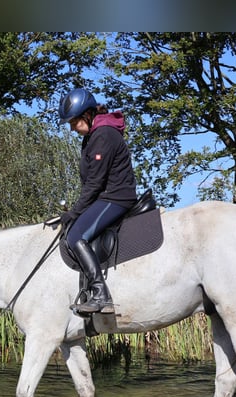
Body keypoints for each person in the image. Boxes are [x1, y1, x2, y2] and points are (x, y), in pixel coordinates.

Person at [57, 87, 138, 315]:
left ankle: (101, 295)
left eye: (74, 122)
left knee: (76, 236)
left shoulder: (103, 135)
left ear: (87, 114)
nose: (72, 128)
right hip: (106, 196)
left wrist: (74, 212)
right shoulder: (93, 135)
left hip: (116, 197)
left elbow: (94, 183)